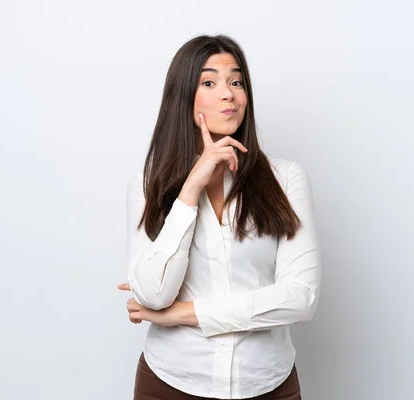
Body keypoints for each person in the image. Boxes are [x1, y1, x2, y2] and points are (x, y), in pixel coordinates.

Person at [117, 34, 320, 400]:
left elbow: (300, 297)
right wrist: (191, 187)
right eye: (209, 82)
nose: (228, 94)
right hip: (171, 383)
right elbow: (153, 292)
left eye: (236, 81)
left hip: (267, 384)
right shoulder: (147, 186)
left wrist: (184, 315)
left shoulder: (286, 179)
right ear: (183, 98)